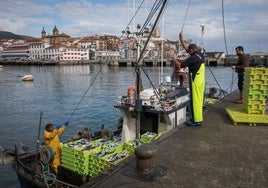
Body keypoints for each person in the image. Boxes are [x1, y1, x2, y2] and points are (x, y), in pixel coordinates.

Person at [173, 32, 205, 126]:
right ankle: (197, 118)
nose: (188, 52)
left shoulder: (193, 58)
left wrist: (174, 59)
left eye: (189, 51)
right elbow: (187, 47)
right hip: (200, 81)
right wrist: (181, 39)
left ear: (191, 50)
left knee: (194, 101)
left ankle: (196, 121)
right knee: (198, 100)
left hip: (195, 81)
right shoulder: (199, 54)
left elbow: (180, 65)